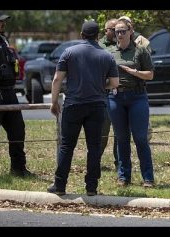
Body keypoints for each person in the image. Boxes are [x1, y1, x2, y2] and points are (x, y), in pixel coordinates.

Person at [47, 20, 119, 196]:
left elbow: (57, 79)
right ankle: (91, 187)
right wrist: (101, 87)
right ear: (98, 36)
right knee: (94, 147)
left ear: (81, 35)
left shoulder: (69, 52)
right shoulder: (107, 55)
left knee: (67, 146)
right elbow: (115, 83)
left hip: (73, 104)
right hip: (96, 105)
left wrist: (54, 101)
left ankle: (60, 185)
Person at [0, 10, 33, 177]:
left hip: (9, 93)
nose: (3, 24)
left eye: (4, 21)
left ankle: (19, 168)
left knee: (18, 130)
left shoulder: (3, 40)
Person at [107, 18, 155, 188]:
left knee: (140, 138)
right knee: (121, 138)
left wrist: (133, 72)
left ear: (130, 32)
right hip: (115, 97)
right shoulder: (110, 52)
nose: (119, 34)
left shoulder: (140, 51)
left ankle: (148, 178)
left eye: (123, 31)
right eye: (117, 31)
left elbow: (150, 75)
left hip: (137, 97)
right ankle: (124, 176)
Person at [99, 18, 119, 170]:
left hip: (120, 93)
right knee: (103, 130)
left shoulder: (124, 42)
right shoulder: (99, 46)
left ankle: (119, 162)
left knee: (120, 132)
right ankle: (95, 160)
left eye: (118, 28)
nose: (116, 31)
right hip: (104, 93)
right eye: (113, 29)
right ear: (106, 31)